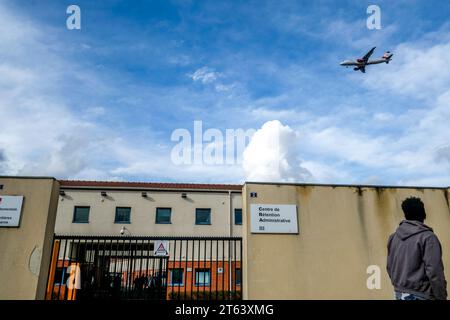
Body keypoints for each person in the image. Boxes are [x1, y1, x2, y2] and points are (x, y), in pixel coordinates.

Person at [387, 197, 447, 300]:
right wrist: (441, 297)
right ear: (424, 214)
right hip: (422, 295)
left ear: (405, 215)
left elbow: (389, 267)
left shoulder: (393, 237)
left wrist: (401, 286)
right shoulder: (428, 238)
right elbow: (435, 272)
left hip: (399, 294)